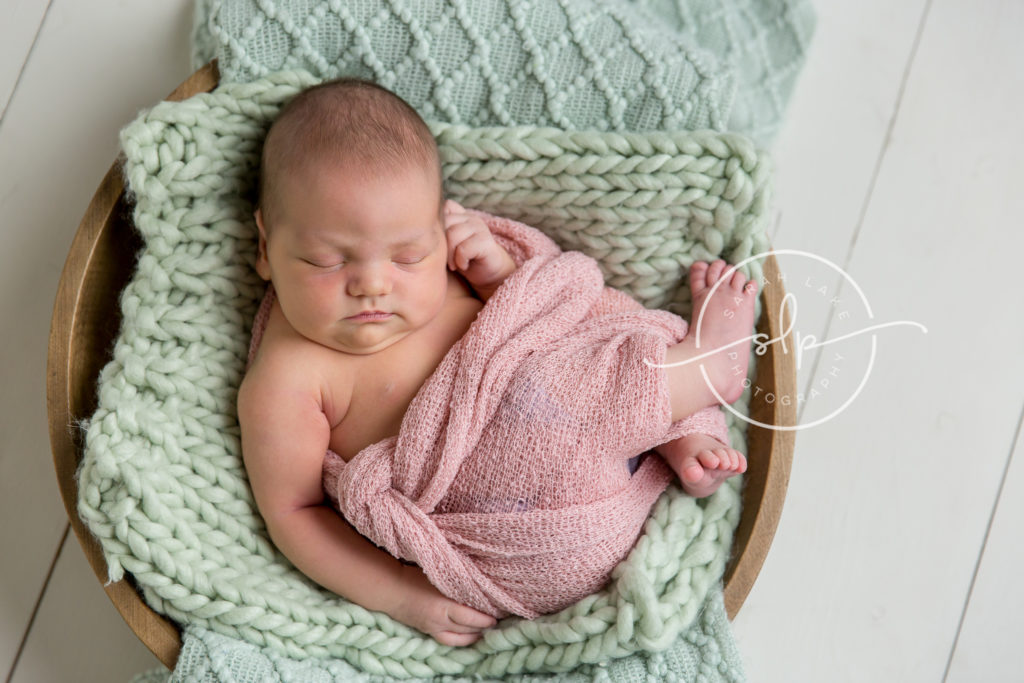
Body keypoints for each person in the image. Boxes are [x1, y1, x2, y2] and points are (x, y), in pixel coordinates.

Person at [237, 78, 758, 646]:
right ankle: (700, 373)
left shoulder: (453, 266)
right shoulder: (286, 379)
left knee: (597, 342)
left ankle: (678, 436)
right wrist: (399, 593)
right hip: (519, 526)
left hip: (574, 425)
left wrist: (496, 275)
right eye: (326, 261)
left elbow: (541, 311)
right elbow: (295, 514)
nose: (373, 284)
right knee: (553, 386)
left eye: (408, 256)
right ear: (265, 246)